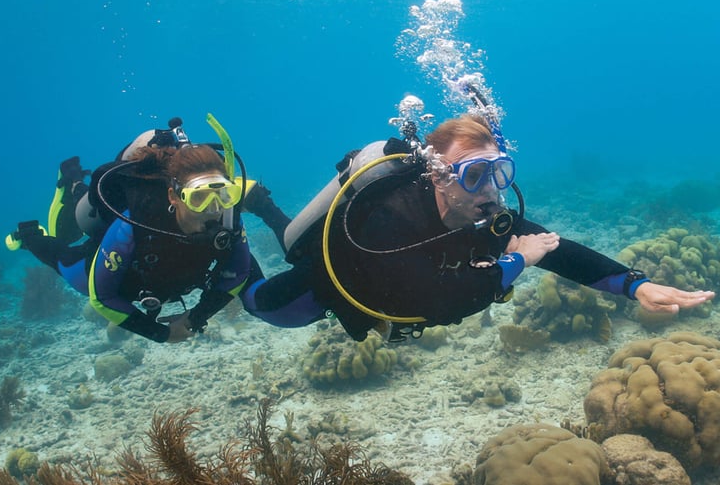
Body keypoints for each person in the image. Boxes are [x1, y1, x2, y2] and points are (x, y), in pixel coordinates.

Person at [240, 113, 715, 341]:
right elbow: (443, 301)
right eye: (473, 174)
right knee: (261, 304)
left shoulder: (486, 215)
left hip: (406, 306)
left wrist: (636, 286)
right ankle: (250, 221)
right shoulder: (392, 218)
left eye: (499, 172)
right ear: (437, 177)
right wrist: (517, 259)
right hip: (334, 289)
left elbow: (555, 248)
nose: (491, 189)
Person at [6, 118, 290, 343]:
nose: (213, 210)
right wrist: (162, 334)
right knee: (70, 268)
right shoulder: (135, 223)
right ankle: (44, 218)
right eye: (199, 197)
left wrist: (195, 317)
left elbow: (239, 273)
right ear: (173, 196)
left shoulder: (227, 218)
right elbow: (102, 297)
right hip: (125, 276)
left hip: (171, 279)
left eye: (223, 196)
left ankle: (76, 188)